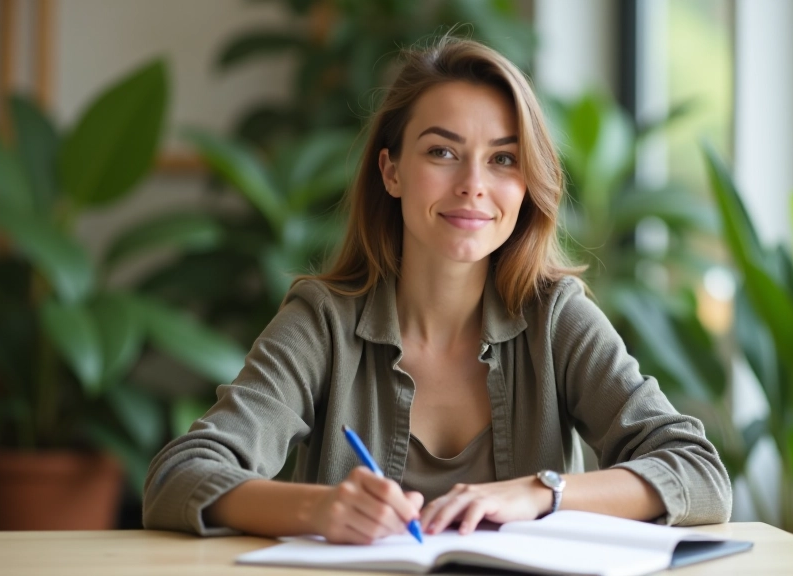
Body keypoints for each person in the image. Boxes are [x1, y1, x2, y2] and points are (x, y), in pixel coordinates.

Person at [143, 35, 732, 544]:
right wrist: (316, 509)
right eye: (443, 152)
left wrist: (540, 492)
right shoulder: (322, 322)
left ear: (526, 186)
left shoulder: (557, 318)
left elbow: (699, 473)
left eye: (503, 159)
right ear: (391, 171)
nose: (474, 185)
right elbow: (179, 476)